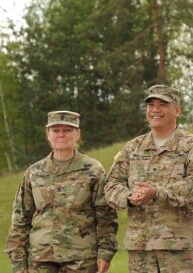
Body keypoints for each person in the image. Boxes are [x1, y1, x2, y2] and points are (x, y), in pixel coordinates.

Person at [104, 85, 193, 273]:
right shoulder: (133, 148)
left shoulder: (192, 145)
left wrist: (159, 193)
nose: (155, 110)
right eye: (151, 104)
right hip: (141, 250)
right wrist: (129, 196)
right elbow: (111, 185)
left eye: (162, 104)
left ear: (177, 110)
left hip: (180, 250)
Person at [5, 111, 118, 273]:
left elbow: (106, 215)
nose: (61, 135)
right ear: (48, 134)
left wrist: (105, 252)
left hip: (81, 259)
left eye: (67, 130)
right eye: (56, 130)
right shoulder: (34, 172)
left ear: (77, 134)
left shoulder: (93, 170)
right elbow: (20, 219)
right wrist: (18, 260)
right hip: (40, 259)